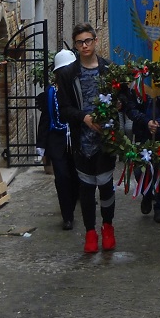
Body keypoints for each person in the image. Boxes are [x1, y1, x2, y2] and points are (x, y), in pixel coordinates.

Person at [55, 23, 117, 253]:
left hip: (106, 140)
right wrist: (84, 118)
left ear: (95, 41)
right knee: (86, 189)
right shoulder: (68, 75)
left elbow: (122, 99)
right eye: (80, 42)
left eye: (88, 41)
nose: (85, 45)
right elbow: (64, 109)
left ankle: (108, 227)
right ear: (76, 45)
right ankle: (90, 232)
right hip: (82, 141)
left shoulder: (109, 70)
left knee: (106, 187)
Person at [35, 49, 79, 230]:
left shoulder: (78, 89)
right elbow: (45, 118)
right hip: (57, 140)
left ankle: (74, 203)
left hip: (76, 138)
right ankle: (67, 216)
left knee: (76, 175)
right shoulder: (50, 92)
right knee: (61, 177)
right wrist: (41, 144)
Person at [125, 94, 160, 223]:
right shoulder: (136, 86)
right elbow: (130, 108)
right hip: (142, 135)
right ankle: (146, 193)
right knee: (139, 171)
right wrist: (146, 121)